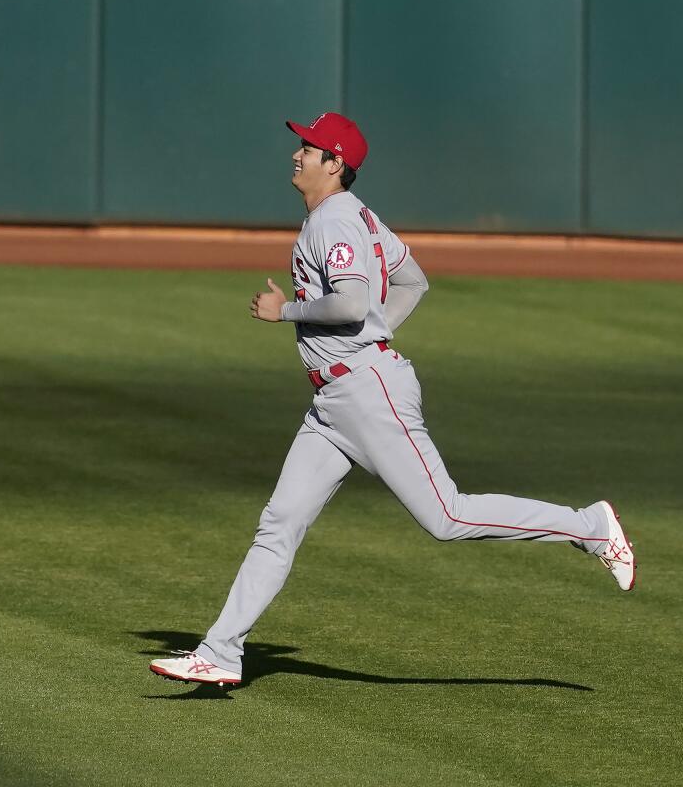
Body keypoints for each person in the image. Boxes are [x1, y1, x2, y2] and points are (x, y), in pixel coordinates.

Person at [150, 112, 635, 687]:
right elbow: (413, 282)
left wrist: (291, 313)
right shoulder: (360, 217)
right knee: (278, 524)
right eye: (300, 145)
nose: (297, 154)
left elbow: (353, 303)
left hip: (365, 393)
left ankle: (589, 527)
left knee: (447, 516)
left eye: (309, 147)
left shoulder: (332, 220)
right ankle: (221, 651)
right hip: (335, 403)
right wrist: (374, 337)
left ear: (335, 164)